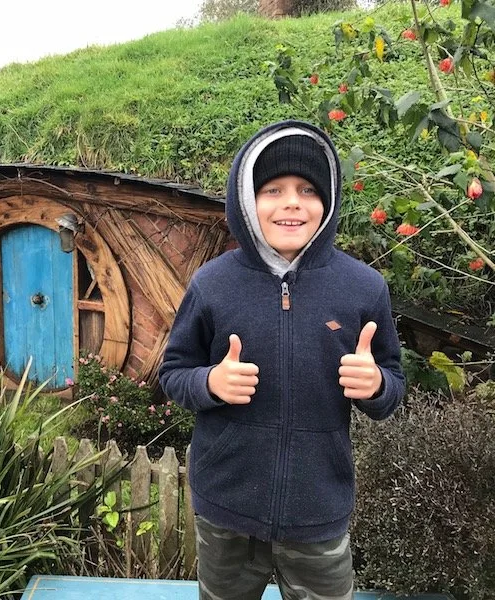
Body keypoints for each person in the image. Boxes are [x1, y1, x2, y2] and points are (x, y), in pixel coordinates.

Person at [158, 120, 405, 600]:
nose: (292, 201)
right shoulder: (212, 284)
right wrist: (211, 383)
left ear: (328, 203)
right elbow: (173, 374)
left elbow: (392, 387)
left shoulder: (363, 288)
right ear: (245, 202)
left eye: (308, 189)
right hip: (225, 506)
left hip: (318, 510)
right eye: (272, 188)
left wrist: (375, 385)